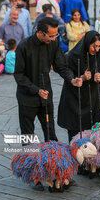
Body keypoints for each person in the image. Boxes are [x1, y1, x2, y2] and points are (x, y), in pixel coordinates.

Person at [14, 16, 82, 148]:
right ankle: (29, 165)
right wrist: (36, 90)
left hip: (46, 95)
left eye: (55, 35)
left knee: (50, 131)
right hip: (27, 97)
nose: (53, 39)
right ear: (40, 33)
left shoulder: (53, 43)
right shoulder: (24, 46)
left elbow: (60, 66)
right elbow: (19, 75)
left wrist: (71, 79)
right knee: (27, 134)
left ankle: (53, 161)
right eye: (51, 36)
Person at [58, 31, 100, 142]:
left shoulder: (99, 54)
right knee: (75, 131)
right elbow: (66, 72)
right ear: (87, 43)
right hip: (74, 97)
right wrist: (81, 78)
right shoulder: (74, 55)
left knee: (92, 128)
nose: (96, 49)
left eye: (98, 46)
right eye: (94, 46)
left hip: (91, 96)